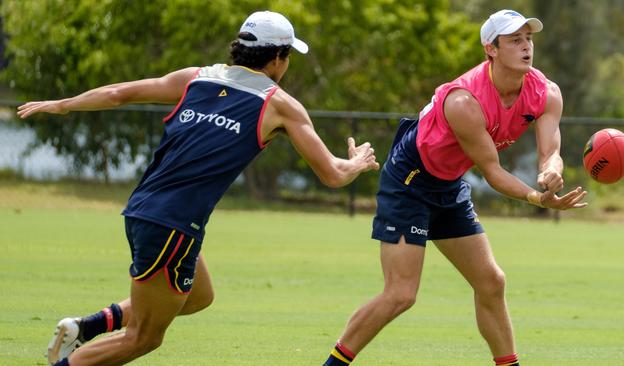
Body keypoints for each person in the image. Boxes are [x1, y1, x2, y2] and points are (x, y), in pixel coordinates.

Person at [18, 10, 380, 366]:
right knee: (143, 337)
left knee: (197, 296)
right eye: (287, 57)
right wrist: (358, 162)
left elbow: (117, 93)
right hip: (172, 224)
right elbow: (333, 175)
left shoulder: (196, 77)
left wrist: (64, 104)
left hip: (145, 210)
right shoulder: (280, 105)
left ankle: (86, 326)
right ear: (277, 57)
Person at [322, 9, 588, 366]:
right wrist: (537, 197)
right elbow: (492, 171)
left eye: (529, 39)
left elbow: (550, 152)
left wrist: (551, 172)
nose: (526, 47)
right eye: (515, 40)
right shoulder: (464, 101)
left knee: (492, 281)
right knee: (401, 294)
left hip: (448, 182)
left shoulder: (546, 92)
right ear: (490, 49)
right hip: (410, 180)